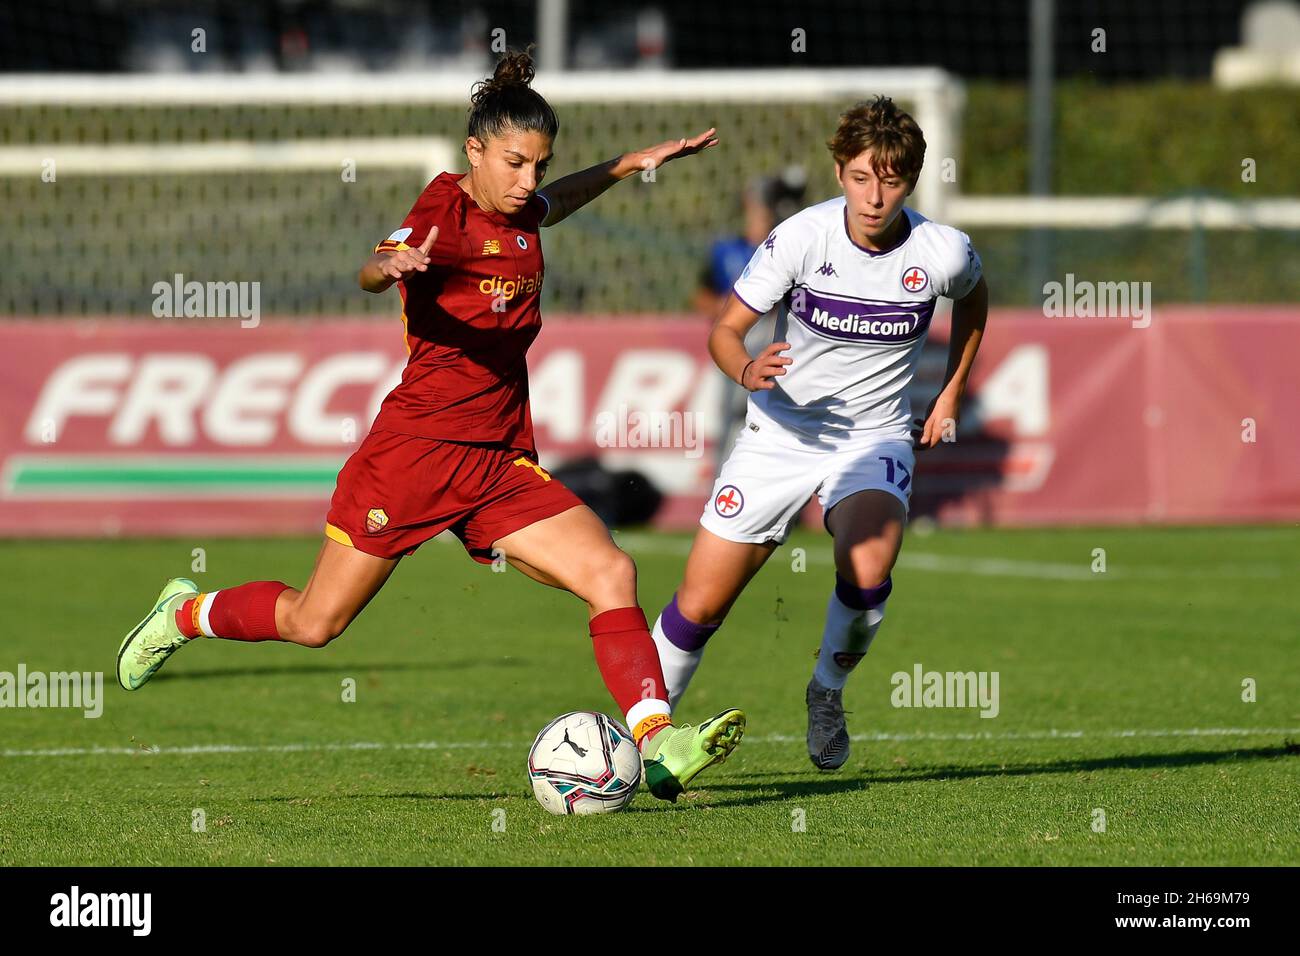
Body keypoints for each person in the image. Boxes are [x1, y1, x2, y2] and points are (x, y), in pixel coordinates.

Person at [116, 49, 744, 803]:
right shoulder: (443, 207)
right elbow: (374, 263)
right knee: (315, 622)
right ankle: (184, 612)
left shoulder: (522, 213)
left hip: (497, 462)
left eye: (539, 166)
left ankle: (659, 739)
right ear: (473, 151)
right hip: (411, 457)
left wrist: (624, 165)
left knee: (611, 571)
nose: (527, 181)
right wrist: (393, 265)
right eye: (513, 163)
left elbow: (556, 203)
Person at [649, 95, 989, 770]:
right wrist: (745, 368)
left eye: (890, 180)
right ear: (839, 173)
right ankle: (642, 739)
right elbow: (723, 329)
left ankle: (826, 690)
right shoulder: (801, 239)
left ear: (910, 181)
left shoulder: (942, 252)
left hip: (874, 439)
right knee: (701, 603)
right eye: (862, 177)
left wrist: (949, 390)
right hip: (778, 437)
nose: (875, 195)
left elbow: (976, 300)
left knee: (867, 565)